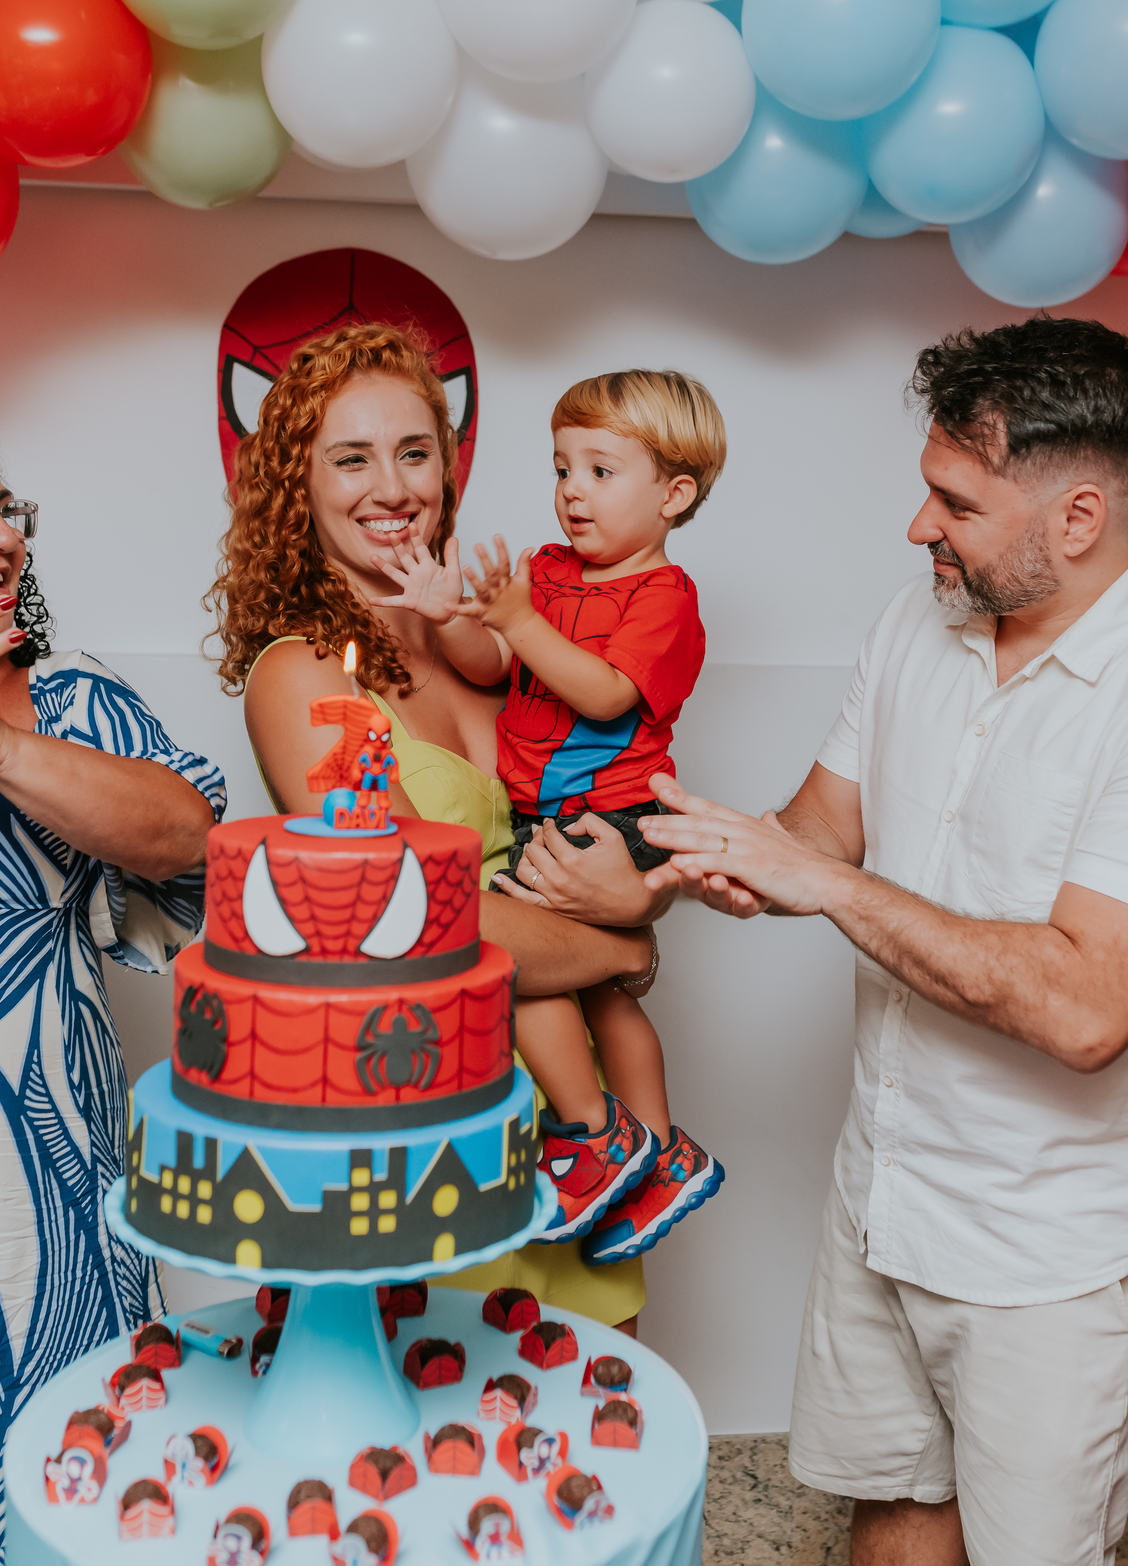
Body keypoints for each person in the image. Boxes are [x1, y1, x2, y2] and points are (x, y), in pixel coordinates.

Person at [638, 316, 1128, 1566]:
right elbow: (816, 834)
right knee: (895, 1505)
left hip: (1047, 1259)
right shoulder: (922, 622)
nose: (919, 528)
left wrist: (819, 882)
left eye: (954, 502)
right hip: (882, 1195)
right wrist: (666, 859)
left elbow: (1086, 1008)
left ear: (1077, 519)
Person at [206, 323, 664, 1332]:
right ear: (296, 483)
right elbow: (413, 913)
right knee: (459, 1447)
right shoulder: (306, 679)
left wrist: (636, 889)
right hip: (434, 1121)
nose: (393, 486)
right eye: (351, 457)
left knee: (599, 1441)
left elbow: (600, 810)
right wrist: (623, 939)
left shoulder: (486, 636)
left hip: (579, 1125)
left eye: (415, 451)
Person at [0, 408, 224, 1564]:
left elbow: (189, 833)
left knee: (79, 1514)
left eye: (8, 509)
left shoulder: (70, 696)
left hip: (56, 1230)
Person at [374, 369, 725, 1265]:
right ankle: (657, 1154)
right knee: (595, 986)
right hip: (552, 813)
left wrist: (521, 620)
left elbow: (607, 695)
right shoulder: (547, 570)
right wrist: (451, 612)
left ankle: (602, 1135)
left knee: (521, 971)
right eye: (562, 468)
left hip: (614, 817)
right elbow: (494, 664)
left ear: (675, 494)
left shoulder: (664, 598)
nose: (571, 490)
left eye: (601, 471)